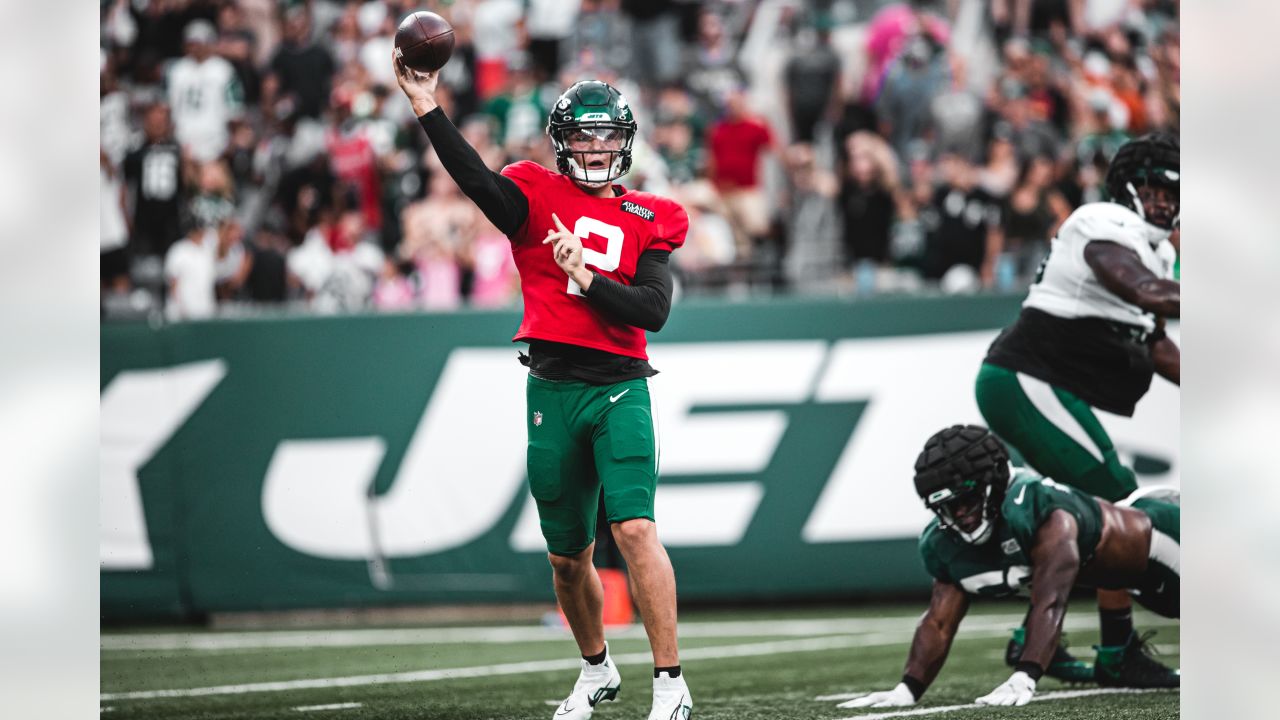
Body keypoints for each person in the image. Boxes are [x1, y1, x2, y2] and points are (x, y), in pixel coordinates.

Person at [393, 57, 692, 720]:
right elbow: (473, 179)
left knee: (637, 529)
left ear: (626, 141)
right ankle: (596, 669)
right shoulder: (531, 194)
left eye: (605, 135)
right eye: (582, 136)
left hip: (620, 387)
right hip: (550, 391)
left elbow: (652, 310)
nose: (594, 147)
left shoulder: (653, 214)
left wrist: (584, 277)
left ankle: (671, 682)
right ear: (560, 143)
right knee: (566, 560)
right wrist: (426, 105)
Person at [975, 133, 1180, 686]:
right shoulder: (1101, 222)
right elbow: (1137, 288)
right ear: (1125, 190)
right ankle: (1116, 651)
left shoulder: (1162, 252)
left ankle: (1035, 639)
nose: (1162, 202)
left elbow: (1154, 338)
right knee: (1118, 500)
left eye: (1172, 193)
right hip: (1023, 379)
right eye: (1152, 189)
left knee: (1086, 513)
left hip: (1044, 385)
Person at [849, 425, 1179, 709]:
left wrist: (1026, 675)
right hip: (1133, 580)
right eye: (947, 507)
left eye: (966, 499)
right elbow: (938, 622)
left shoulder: (1039, 509)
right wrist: (907, 689)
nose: (960, 514)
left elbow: (1051, 599)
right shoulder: (944, 544)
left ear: (994, 483)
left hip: (1167, 540)